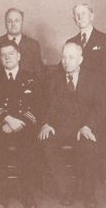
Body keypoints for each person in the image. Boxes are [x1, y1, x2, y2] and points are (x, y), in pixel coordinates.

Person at [39, 42, 103, 208]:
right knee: (46, 143)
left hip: (84, 127)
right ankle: (67, 190)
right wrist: (46, 123)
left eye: (71, 57)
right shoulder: (53, 79)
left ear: (80, 59)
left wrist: (88, 126)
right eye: (64, 57)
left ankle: (88, 194)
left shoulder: (95, 79)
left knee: (89, 147)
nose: (66, 61)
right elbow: (43, 106)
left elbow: (101, 106)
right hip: (59, 128)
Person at [0, 40, 41, 208]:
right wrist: (7, 119)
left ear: (19, 56)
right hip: (1, 125)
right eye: (3, 55)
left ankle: (27, 194)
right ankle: (1, 196)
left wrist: (20, 122)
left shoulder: (31, 78)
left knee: (29, 148)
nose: (7, 58)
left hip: (25, 126)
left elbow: (38, 105)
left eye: (10, 54)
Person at [0, 8, 43, 78]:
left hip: (27, 87)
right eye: (9, 21)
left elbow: (39, 74)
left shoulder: (33, 45)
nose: (13, 24)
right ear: (5, 24)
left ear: (22, 23)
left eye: (17, 21)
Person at [66, 4, 106, 73]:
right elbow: (62, 67)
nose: (80, 17)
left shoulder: (103, 39)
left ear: (91, 17)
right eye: (77, 14)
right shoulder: (70, 42)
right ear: (74, 19)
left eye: (83, 13)